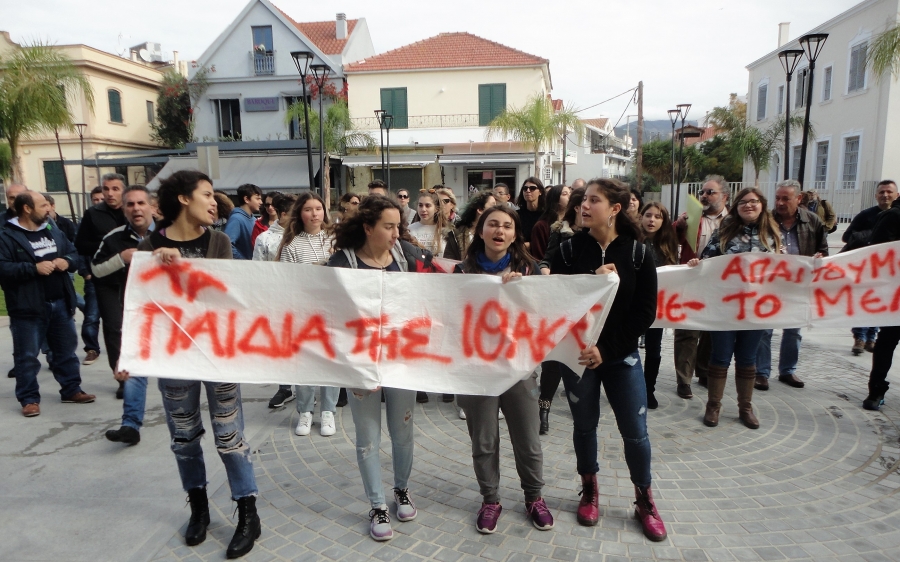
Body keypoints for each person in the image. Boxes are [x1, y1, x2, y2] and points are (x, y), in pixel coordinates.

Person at [133, 169, 261, 559]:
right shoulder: (149, 245)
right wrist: (153, 265)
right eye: (206, 194)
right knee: (184, 439)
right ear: (184, 199)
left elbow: (222, 299)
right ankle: (200, 509)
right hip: (173, 360)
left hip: (216, 357)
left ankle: (248, 513)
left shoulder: (218, 241)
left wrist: (184, 272)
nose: (213, 202)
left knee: (229, 437)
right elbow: (141, 304)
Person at [544, 178, 666, 542]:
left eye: (592, 201)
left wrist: (607, 350)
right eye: (582, 200)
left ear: (615, 208)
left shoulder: (638, 254)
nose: (583, 206)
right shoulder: (568, 250)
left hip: (621, 358)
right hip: (578, 357)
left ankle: (644, 500)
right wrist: (584, 281)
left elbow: (645, 312)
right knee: (584, 427)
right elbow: (552, 294)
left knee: (636, 433)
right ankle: (590, 489)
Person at [327, 195, 437, 541]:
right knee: (368, 439)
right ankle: (377, 505)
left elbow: (453, 279)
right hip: (361, 365)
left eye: (398, 226)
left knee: (402, 432)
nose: (396, 233)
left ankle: (401, 489)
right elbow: (325, 310)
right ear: (368, 227)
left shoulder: (408, 256)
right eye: (389, 226)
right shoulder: (341, 262)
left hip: (401, 363)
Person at [453, 205, 554, 534]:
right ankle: (490, 499)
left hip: (519, 369)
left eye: (507, 226)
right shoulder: (461, 271)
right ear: (480, 231)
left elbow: (545, 317)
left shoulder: (530, 269)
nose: (499, 230)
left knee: (528, 439)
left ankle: (534, 497)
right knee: (484, 440)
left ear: (515, 234)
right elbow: (450, 318)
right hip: (477, 371)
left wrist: (524, 291)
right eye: (492, 224)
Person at [688, 187, 782, 430]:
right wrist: (698, 263)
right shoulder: (724, 232)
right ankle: (713, 405)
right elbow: (708, 260)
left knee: (747, 358)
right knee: (720, 356)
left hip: (756, 309)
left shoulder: (772, 234)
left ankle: (745, 408)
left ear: (762, 205)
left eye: (753, 202)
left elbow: (786, 267)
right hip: (725, 307)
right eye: (743, 202)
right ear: (736, 206)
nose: (748, 206)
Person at [0, 191, 96, 417]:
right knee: (27, 356)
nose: (48, 208)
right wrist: (33, 269)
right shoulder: (6, 235)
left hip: (60, 302)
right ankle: (29, 399)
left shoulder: (52, 229)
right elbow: (2, 267)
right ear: (27, 209)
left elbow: (73, 252)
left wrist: (67, 261)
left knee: (66, 352)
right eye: (43, 205)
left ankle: (71, 389)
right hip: (28, 307)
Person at [92, 186, 156, 445]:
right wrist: (121, 258)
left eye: (141, 203)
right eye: (130, 204)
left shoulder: (168, 234)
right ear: (124, 208)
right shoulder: (113, 238)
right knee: (134, 368)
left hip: (168, 315)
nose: (136, 208)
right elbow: (95, 270)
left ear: (152, 206)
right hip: (135, 315)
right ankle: (130, 425)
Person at [275, 193, 339, 436]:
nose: (314, 214)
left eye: (318, 208)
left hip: (331, 310)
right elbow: (286, 281)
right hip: (303, 311)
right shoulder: (291, 245)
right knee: (304, 361)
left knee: (330, 361)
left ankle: (328, 411)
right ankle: (305, 411)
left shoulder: (334, 239)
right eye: (309, 209)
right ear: (300, 213)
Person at [755, 180, 828, 391]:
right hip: (770, 284)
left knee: (794, 330)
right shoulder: (766, 220)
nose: (780, 202)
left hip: (798, 285)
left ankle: (787, 370)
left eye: (785, 198)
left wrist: (818, 257)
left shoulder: (812, 221)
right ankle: (761, 372)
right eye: (777, 198)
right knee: (764, 330)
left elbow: (823, 250)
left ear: (799, 199)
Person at [672, 175, 730, 399]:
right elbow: (671, 238)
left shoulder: (733, 220)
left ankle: (704, 372)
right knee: (687, 331)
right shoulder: (691, 217)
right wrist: (679, 225)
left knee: (711, 331)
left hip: (720, 284)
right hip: (692, 280)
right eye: (702, 192)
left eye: (710, 192)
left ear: (724, 196)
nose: (704, 196)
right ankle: (683, 379)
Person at [536, 187, 586, 435]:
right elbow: (547, 258)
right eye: (581, 205)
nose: (585, 210)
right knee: (552, 362)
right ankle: (544, 407)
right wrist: (544, 268)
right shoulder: (559, 232)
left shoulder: (600, 236)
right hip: (560, 306)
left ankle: (583, 409)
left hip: (587, 310)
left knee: (580, 360)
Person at [75, 173, 128, 368]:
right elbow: (80, 244)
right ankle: (120, 374)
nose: (110, 193)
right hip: (106, 279)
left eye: (115, 189)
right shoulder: (93, 214)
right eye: (106, 189)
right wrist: (108, 245)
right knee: (113, 328)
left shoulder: (133, 210)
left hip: (134, 277)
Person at [842, 180, 898, 355]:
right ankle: (859, 337)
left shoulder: (897, 215)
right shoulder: (866, 215)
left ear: (897, 195)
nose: (885, 195)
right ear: (876, 195)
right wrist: (871, 237)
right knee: (865, 301)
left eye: (889, 192)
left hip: (889, 271)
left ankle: (871, 337)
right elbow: (847, 236)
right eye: (881, 192)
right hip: (866, 268)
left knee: (880, 303)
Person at [639, 202, 679, 409]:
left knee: (654, 350)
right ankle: (631, 388)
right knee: (629, 348)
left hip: (658, 306)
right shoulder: (631, 241)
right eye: (648, 215)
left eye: (657, 216)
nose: (651, 220)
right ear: (641, 217)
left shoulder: (668, 244)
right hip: (633, 304)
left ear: (663, 221)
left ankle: (649, 389)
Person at [863, 196, 900, 410]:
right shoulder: (893, 216)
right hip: (894, 297)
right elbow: (877, 252)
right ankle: (876, 390)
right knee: (886, 344)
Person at [442, 190, 496, 261]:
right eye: (493, 206)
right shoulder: (456, 235)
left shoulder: (496, 234)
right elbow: (448, 263)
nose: (496, 209)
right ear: (480, 209)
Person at [530, 185, 571, 261]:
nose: (570, 196)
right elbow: (538, 257)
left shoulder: (574, 223)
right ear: (555, 198)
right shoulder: (541, 226)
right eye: (565, 194)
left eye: (570, 193)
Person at [252, 193, 295, 263]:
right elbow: (258, 267)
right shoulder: (263, 238)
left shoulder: (303, 235)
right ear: (283, 215)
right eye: (295, 215)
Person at [223, 183, 263, 259]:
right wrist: (243, 261)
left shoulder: (254, 219)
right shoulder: (236, 219)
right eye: (257, 199)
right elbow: (227, 245)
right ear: (246, 199)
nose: (261, 202)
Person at [408, 188, 447, 257]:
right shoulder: (410, 229)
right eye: (420, 205)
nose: (423, 209)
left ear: (436, 209)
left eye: (428, 206)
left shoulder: (445, 230)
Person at [515, 177, 545, 247]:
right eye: (525, 188)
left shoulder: (547, 215)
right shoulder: (516, 215)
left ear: (540, 192)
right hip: (520, 254)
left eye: (532, 188)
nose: (528, 191)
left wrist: (530, 245)